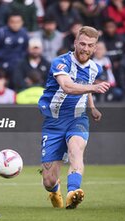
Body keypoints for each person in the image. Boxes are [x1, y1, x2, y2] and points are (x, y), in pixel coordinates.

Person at [38, 26, 110, 209]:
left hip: (77, 118)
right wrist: (93, 88)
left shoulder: (95, 67)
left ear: (95, 48)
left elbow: (86, 86)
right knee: (48, 180)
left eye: (90, 45)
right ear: (75, 43)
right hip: (53, 123)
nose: (85, 48)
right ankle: (55, 190)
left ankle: (73, 192)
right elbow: (68, 86)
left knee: (76, 149)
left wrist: (92, 107)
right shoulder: (60, 63)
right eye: (83, 43)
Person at [0, 13, 28, 85]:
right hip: (3, 62)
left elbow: (26, 48)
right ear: (8, 22)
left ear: (22, 23)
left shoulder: (24, 33)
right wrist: (1, 55)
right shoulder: (1, 32)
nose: (15, 24)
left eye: (18, 22)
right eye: (12, 22)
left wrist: (22, 57)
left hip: (19, 62)